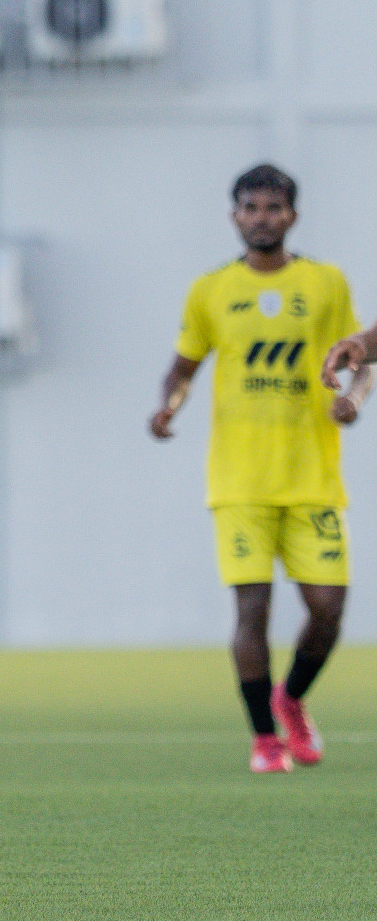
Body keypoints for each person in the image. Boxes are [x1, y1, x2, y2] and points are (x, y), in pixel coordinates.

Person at [149, 164, 369, 774]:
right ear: (235, 216)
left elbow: (359, 356)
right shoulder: (212, 289)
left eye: (274, 208)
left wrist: (352, 399)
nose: (263, 217)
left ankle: (291, 698)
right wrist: (168, 408)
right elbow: (184, 367)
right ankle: (264, 737)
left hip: (312, 474)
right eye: (252, 207)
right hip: (239, 480)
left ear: (292, 216)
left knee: (327, 608)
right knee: (253, 609)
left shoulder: (325, 283)